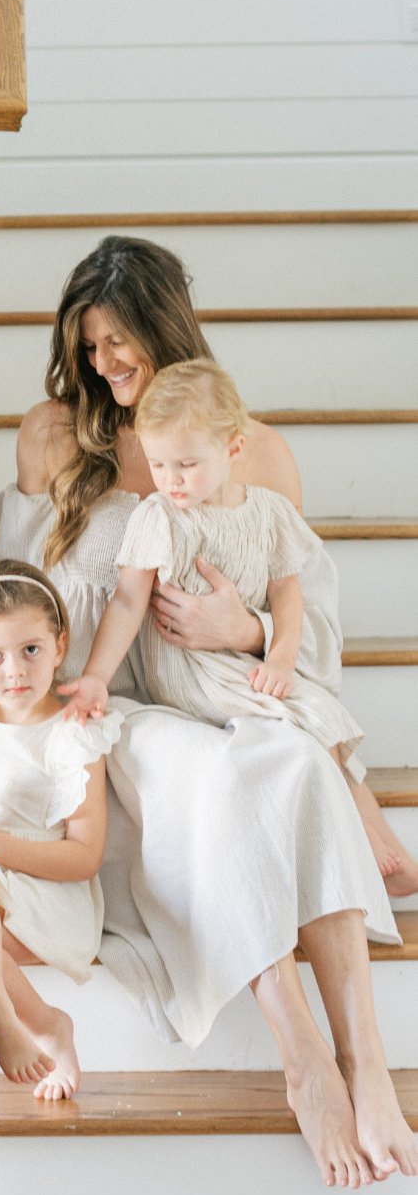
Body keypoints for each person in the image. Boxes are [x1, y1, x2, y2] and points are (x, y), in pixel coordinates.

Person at [0, 232, 417, 1187]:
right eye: (90, 346)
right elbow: (17, 594)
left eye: (121, 342)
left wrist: (240, 626)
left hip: (230, 689)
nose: (105, 365)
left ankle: (369, 1061)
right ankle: (301, 1053)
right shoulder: (53, 434)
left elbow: (306, 623)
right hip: (119, 711)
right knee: (231, 776)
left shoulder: (253, 450)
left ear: (167, 326)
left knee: (296, 762)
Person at [64, 358, 412, 893]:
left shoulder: (268, 513)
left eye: (186, 464)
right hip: (189, 667)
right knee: (294, 714)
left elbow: (287, 595)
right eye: (158, 465)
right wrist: (94, 677)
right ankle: (370, 837)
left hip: (243, 661)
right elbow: (128, 604)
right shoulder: (158, 517)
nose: (171, 480)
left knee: (313, 705)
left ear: (232, 449)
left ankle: (360, 836)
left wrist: (279, 658)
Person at [0, 560, 121, 1100]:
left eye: (31, 649)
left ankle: (0, 1011)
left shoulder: (72, 733)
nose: (15, 671)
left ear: (60, 644)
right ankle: (48, 1023)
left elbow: (84, 856)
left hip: (49, 896)